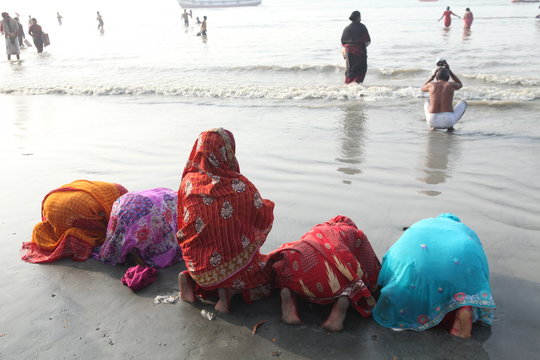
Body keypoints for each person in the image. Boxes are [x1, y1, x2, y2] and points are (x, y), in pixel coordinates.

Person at [177, 128, 275, 314]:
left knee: (213, 234)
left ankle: (189, 277)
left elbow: (181, 223)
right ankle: (226, 294)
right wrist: (268, 205)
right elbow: (261, 217)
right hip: (224, 270)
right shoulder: (240, 186)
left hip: (196, 265)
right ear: (227, 151)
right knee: (266, 277)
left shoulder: (188, 182)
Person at [372, 214, 496, 338]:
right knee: (462, 292)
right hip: (459, 265)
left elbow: (388, 258)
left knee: (404, 291)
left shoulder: (419, 224)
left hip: (415, 275)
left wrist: (383, 282)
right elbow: (482, 269)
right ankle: (463, 308)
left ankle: (408, 308)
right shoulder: (466, 231)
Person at [270, 216, 381, 332]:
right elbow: (370, 265)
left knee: (286, 269)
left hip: (301, 279)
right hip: (329, 282)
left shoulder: (317, 229)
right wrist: (372, 288)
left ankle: (289, 303)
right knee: (354, 277)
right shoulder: (356, 234)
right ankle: (337, 312)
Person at [21, 180, 128, 263]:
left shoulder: (109, 188)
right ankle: (77, 235)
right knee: (104, 232)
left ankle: (61, 231)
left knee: (92, 214)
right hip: (77, 207)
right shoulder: (122, 199)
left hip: (51, 203)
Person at [96, 188, 182, 268]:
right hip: (149, 211)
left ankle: (130, 247)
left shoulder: (169, 193)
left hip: (123, 204)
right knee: (165, 234)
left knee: (128, 230)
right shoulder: (178, 200)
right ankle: (138, 250)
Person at [421, 61, 466, 130]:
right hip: (448, 121)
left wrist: (432, 77)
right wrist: (450, 71)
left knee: (427, 101)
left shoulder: (431, 85)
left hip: (432, 121)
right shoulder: (450, 84)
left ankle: (433, 127)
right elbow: (460, 84)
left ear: (436, 77)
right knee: (463, 103)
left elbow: (422, 88)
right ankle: (450, 127)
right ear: (448, 77)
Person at [341, 10, 371, 84]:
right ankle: (357, 85)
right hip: (359, 50)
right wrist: (362, 48)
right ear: (358, 18)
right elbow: (368, 41)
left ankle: (348, 84)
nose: (360, 18)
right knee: (362, 68)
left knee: (350, 69)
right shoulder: (362, 26)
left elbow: (343, 42)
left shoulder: (347, 28)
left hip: (348, 51)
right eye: (360, 17)